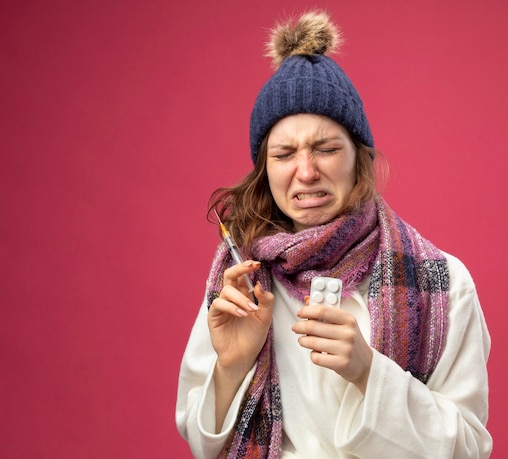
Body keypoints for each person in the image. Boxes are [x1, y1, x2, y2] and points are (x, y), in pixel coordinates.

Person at [176, 10, 492, 459]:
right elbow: (201, 441)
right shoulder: (242, 284)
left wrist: (368, 372)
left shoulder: (442, 281)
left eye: (326, 149)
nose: (306, 172)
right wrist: (231, 365)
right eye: (285, 154)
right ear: (265, 172)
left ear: (359, 158)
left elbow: (468, 449)